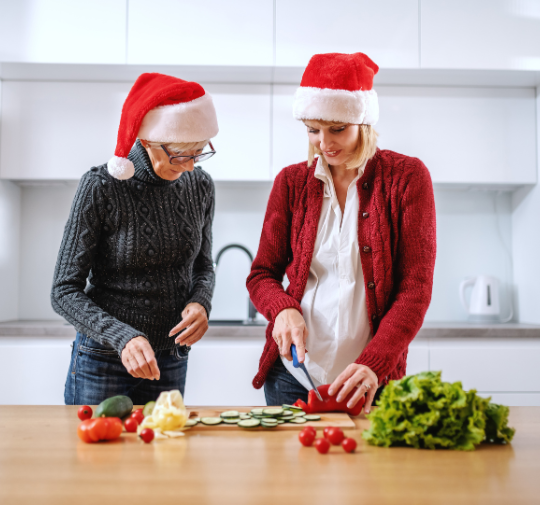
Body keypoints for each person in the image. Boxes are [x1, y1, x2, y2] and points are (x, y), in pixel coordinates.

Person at [247, 52, 436, 413]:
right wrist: (282, 309)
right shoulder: (291, 182)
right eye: (312, 129)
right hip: (294, 375)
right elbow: (262, 275)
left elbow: (415, 289)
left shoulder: (407, 178)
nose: (323, 142)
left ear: (362, 122)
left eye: (337, 129)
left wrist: (375, 363)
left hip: (370, 379)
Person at [52, 73, 219, 405]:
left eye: (198, 153)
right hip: (104, 359)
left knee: (163, 453)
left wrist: (201, 301)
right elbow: (63, 291)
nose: (189, 167)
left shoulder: (200, 186)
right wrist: (122, 337)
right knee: (94, 456)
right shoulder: (102, 187)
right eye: (179, 155)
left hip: (170, 359)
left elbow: (204, 267)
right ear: (147, 141)